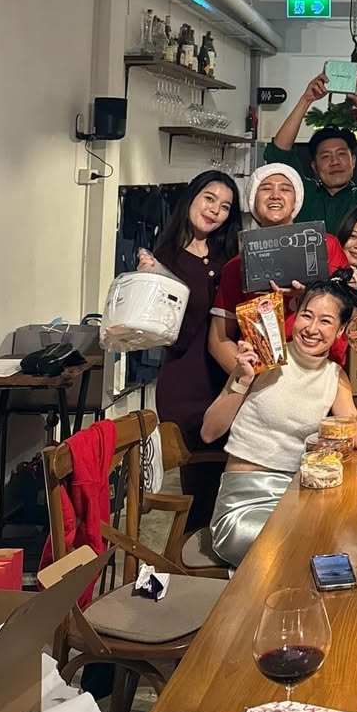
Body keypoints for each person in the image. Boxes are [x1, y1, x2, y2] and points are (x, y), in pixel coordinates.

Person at [205, 277, 357, 567]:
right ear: (295, 315)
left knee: (354, 539)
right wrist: (242, 380)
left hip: (297, 498)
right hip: (245, 504)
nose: (312, 329)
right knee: (306, 549)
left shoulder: (333, 375)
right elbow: (209, 432)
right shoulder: (263, 356)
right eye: (306, 315)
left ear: (340, 330)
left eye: (325, 321)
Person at [140, 171, 241, 530]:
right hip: (186, 385)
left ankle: (223, 552)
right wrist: (151, 282)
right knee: (200, 489)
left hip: (227, 379)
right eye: (209, 199)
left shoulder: (229, 256)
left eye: (225, 206)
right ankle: (189, 557)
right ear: (191, 198)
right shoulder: (163, 259)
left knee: (231, 483)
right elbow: (165, 335)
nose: (215, 210)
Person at [209, 164, 348, 377]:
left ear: (296, 201)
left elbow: (351, 312)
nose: (275, 195)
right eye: (266, 188)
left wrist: (308, 295)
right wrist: (252, 381)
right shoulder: (237, 266)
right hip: (266, 383)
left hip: (323, 375)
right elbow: (218, 340)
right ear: (253, 200)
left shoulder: (324, 245)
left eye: (285, 188)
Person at [263, 70, 357, 230]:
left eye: (341, 153)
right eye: (325, 156)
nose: (335, 162)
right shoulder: (302, 195)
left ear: (353, 161)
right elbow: (279, 153)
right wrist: (306, 100)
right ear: (314, 167)